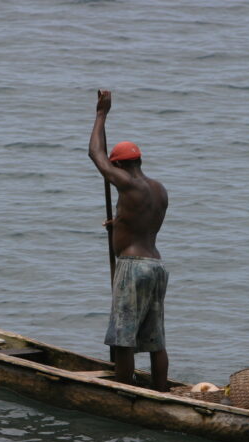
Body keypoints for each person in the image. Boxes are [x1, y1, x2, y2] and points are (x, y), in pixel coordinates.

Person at [88, 89, 170, 392]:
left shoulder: (126, 182)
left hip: (133, 267)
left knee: (124, 339)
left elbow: (95, 154)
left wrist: (101, 114)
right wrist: (119, 222)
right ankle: (161, 393)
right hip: (156, 265)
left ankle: (124, 395)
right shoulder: (158, 189)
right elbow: (142, 221)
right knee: (155, 340)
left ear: (120, 166)